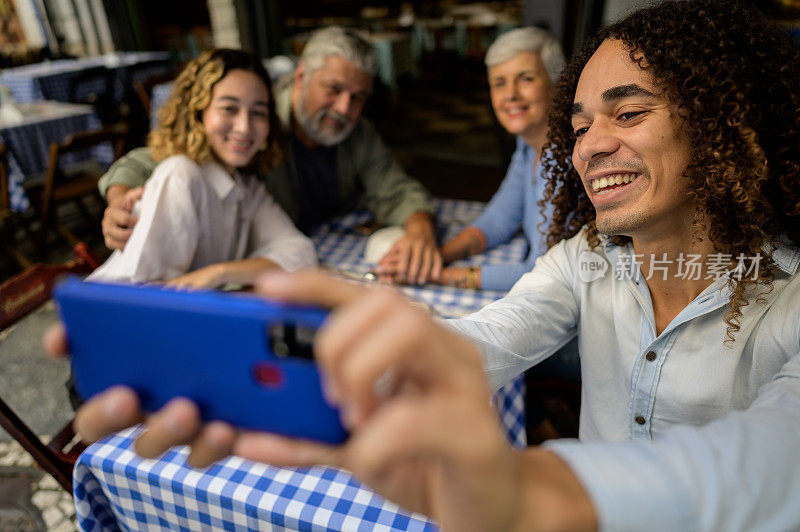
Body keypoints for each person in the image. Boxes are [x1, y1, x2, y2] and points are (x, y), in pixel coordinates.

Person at [47, 1, 800, 530]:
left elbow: (774, 461)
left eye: (628, 114)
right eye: (578, 125)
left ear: (723, 125)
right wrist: (344, 369)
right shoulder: (586, 260)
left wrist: (531, 497)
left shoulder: (789, 296)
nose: (589, 145)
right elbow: (488, 338)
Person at [99, 27, 441, 285]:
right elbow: (151, 161)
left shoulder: (250, 184)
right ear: (302, 77)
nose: (344, 108)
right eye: (333, 90)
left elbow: (394, 189)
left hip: (282, 261)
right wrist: (120, 201)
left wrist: (420, 228)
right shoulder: (198, 165)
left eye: (358, 97)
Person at [88, 49, 316, 287]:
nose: (244, 127)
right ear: (197, 113)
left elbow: (300, 253)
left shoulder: (246, 188)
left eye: (258, 112)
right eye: (229, 108)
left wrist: (220, 272)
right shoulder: (181, 175)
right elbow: (142, 290)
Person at [437, 27, 563, 292]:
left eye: (525, 78)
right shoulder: (530, 144)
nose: (510, 94)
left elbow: (542, 273)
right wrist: (438, 257)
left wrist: (439, 275)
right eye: (499, 83)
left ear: (557, 85)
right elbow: (500, 217)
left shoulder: (568, 162)